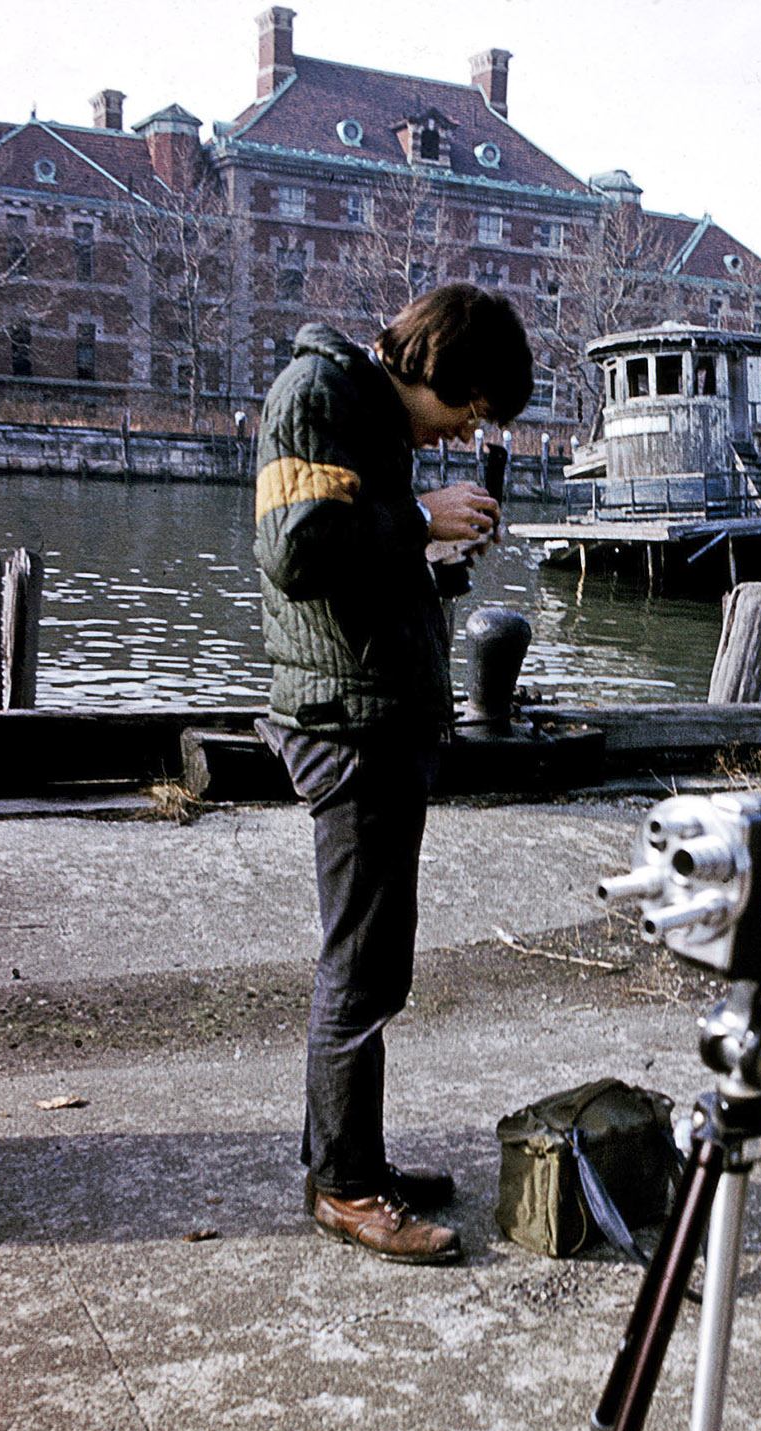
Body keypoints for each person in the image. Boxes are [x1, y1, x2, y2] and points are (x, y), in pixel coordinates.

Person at [253, 285, 533, 1264]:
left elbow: (357, 557)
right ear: (443, 370)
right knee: (360, 965)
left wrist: (436, 548)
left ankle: (351, 1157)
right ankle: (342, 1188)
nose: (471, 428)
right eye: (474, 406)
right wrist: (418, 516)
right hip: (350, 723)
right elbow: (294, 550)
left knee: (376, 958)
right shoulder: (316, 394)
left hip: (379, 713)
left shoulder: (368, 413)